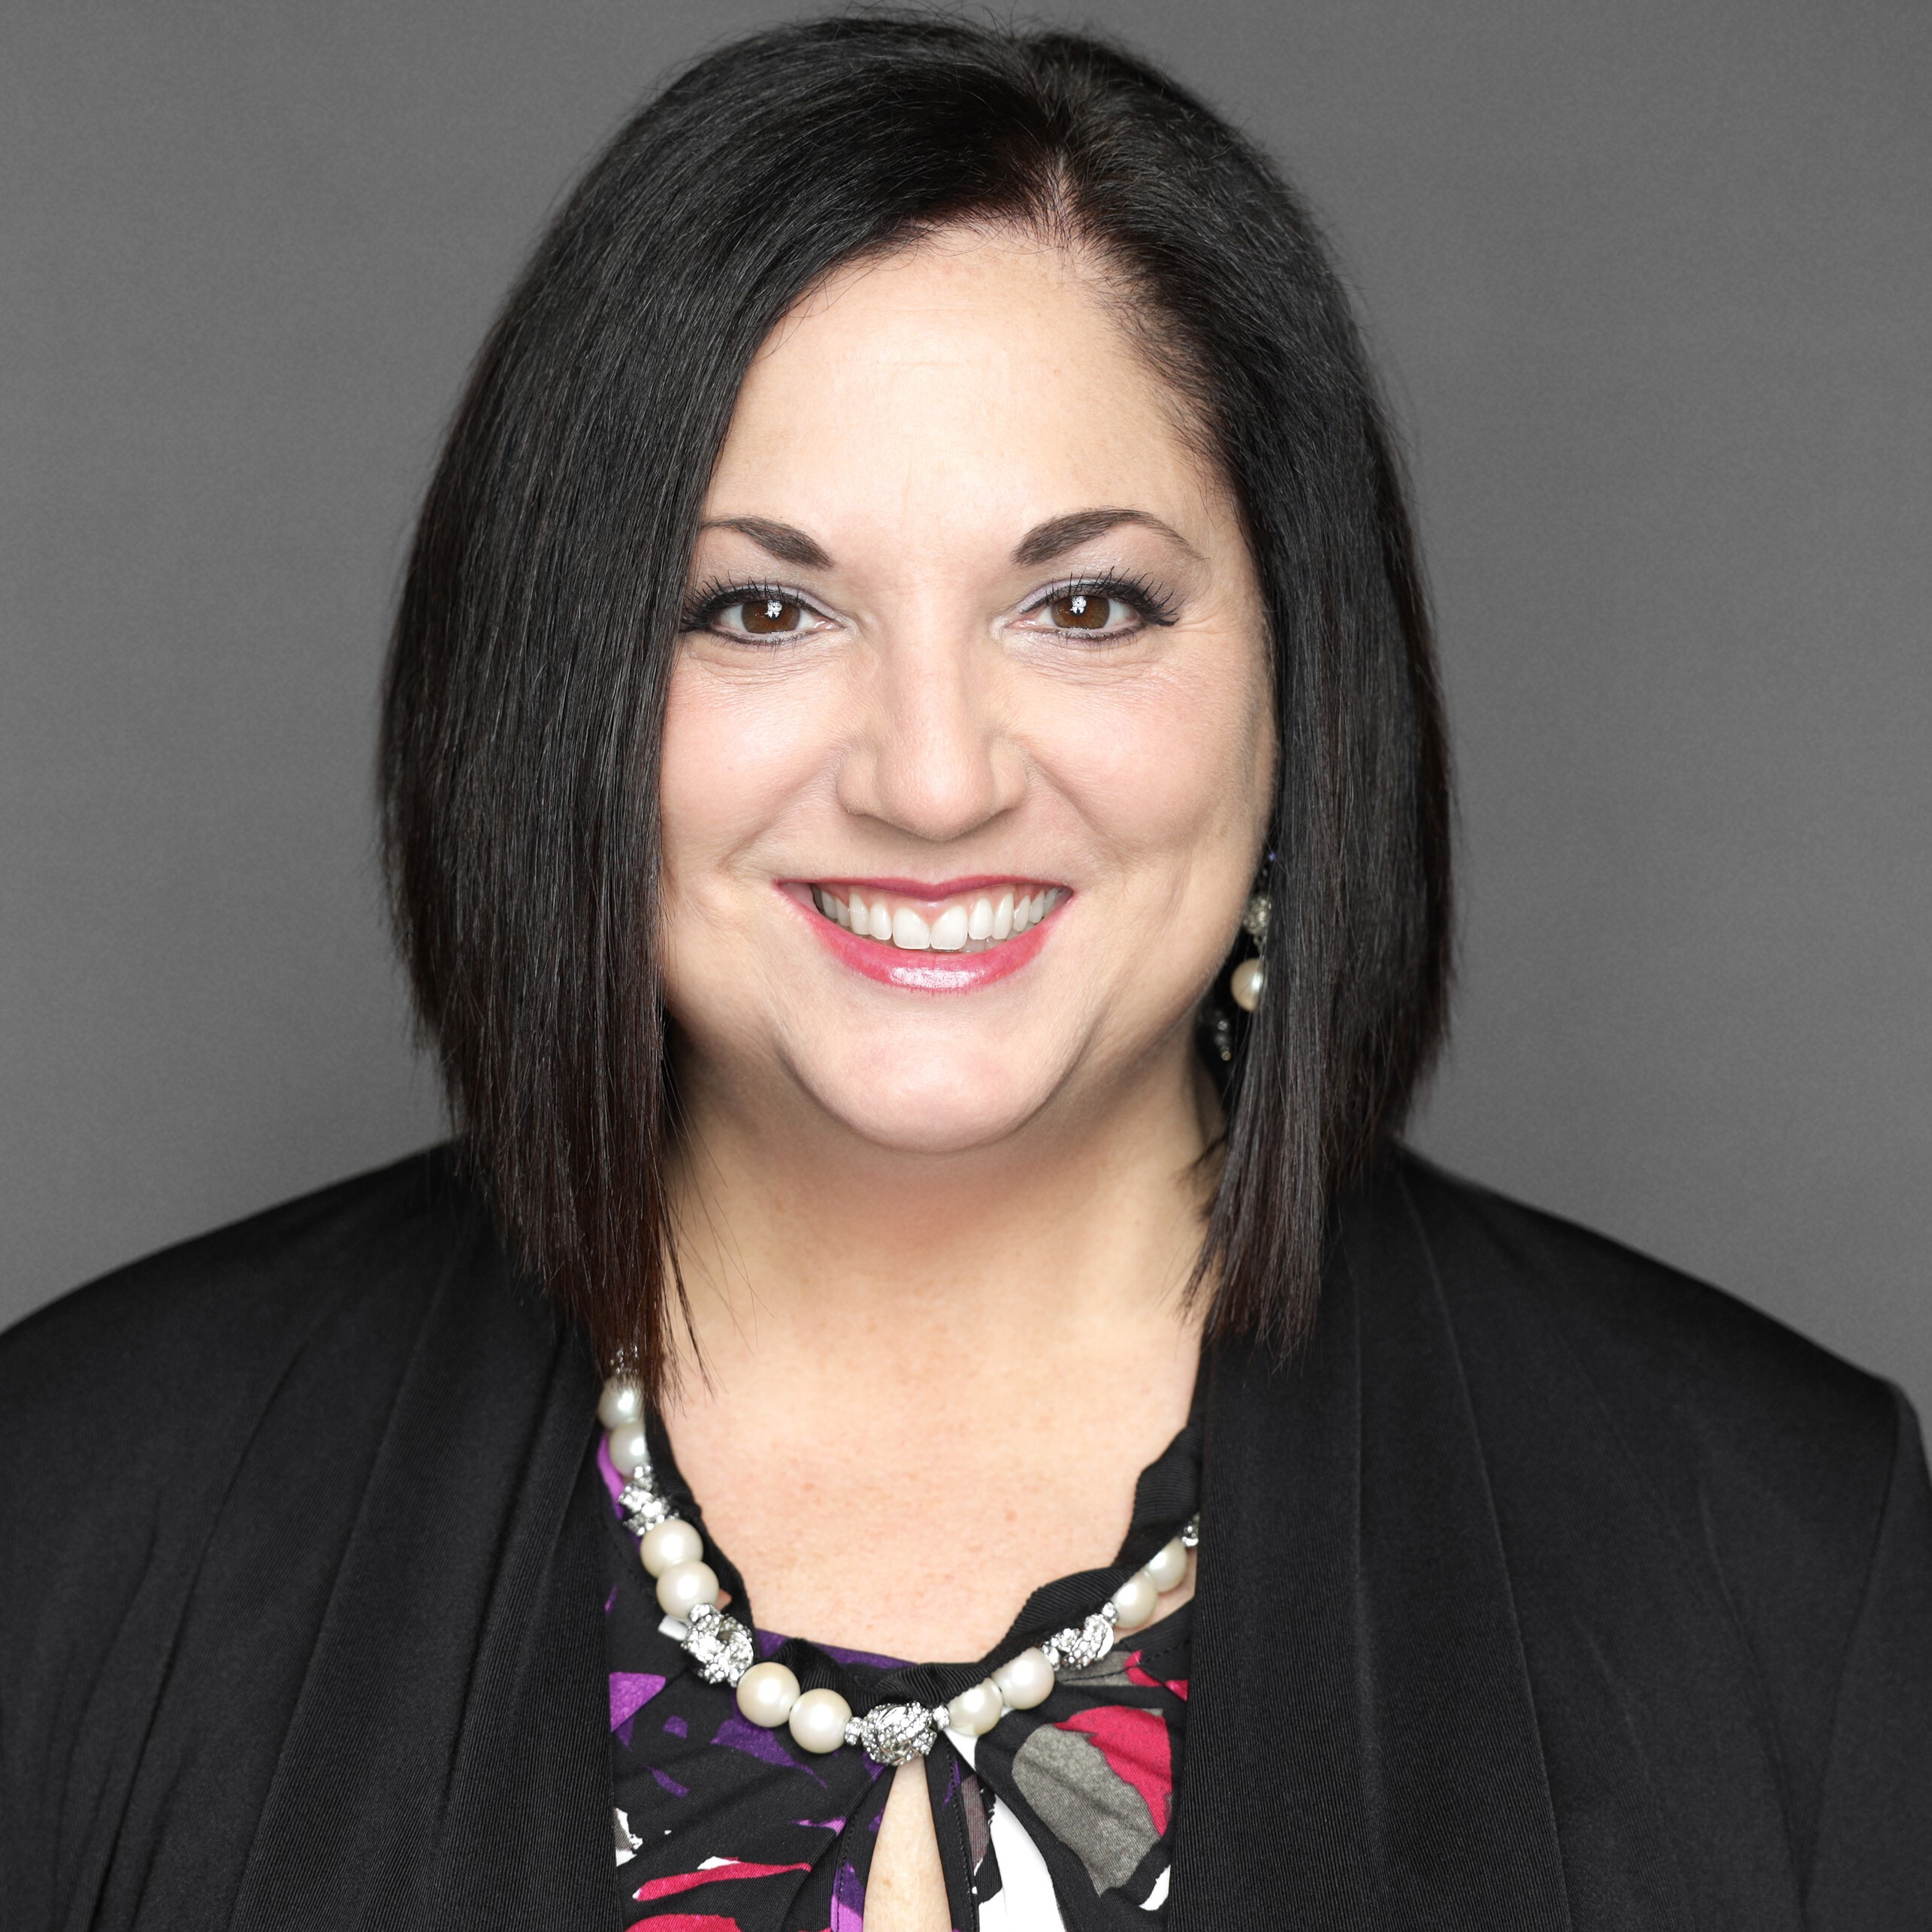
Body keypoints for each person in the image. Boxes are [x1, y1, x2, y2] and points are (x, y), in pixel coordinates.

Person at [2, 16, 1927, 1930]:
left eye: (1083, 605)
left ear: (1298, 686)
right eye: (762, 606)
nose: (932, 777)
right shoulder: (77, 1511)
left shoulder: (1772, 1550)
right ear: (556, 690)